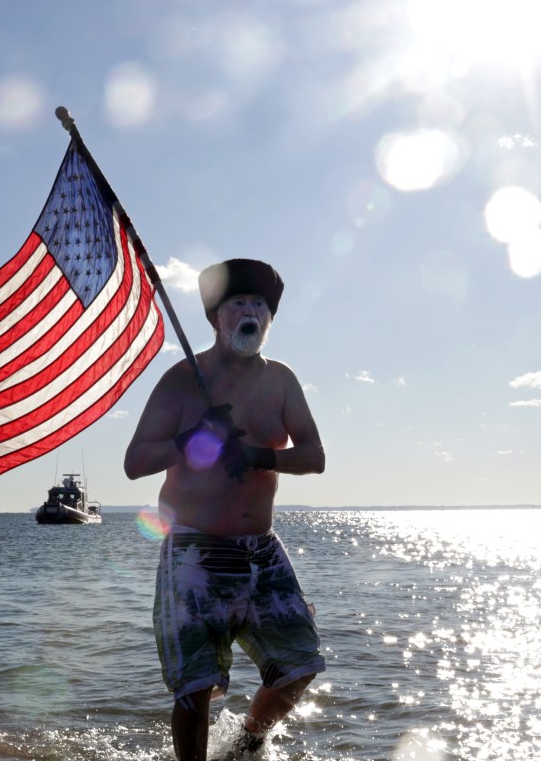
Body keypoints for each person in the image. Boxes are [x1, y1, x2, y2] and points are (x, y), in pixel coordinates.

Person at [124, 258, 327, 761]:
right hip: (194, 550)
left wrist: (258, 455)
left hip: (262, 551)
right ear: (216, 317)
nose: (250, 311)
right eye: (239, 302)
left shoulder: (280, 381)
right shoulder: (182, 381)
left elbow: (313, 457)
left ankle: (245, 744)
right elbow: (135, 462)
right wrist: (195, 437)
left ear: (269, 320)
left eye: (259, 304)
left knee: (299, 665)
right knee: (194, 686)